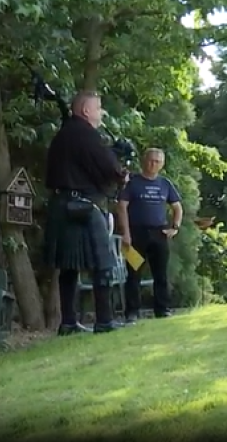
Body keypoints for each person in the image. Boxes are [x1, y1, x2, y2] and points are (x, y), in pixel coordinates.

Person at [44, 91, 128, 336]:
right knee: (102, 264)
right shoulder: (86, 133)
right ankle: (104, 321)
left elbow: (86, 165)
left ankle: (68, 323)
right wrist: (121, 168)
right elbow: (107, 167)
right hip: (84, 207)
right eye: (98, 107)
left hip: (61, 204)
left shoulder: (63, 134)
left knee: (68, 267)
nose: (101, 112)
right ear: (85, 111)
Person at [117, 148, 183, 323]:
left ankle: (162, 309)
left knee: (160, 274)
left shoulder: (165, 184)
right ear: (144, 161)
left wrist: (174, 227)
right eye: (150, 160)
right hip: (136, 233)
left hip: (159, 233)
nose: (153, 164)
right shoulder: (133, 182)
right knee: (134, 274)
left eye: (157, 162)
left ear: (162, 165)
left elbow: (177, 207)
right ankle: (132, 312)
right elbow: (122, 206)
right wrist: (125, 233)